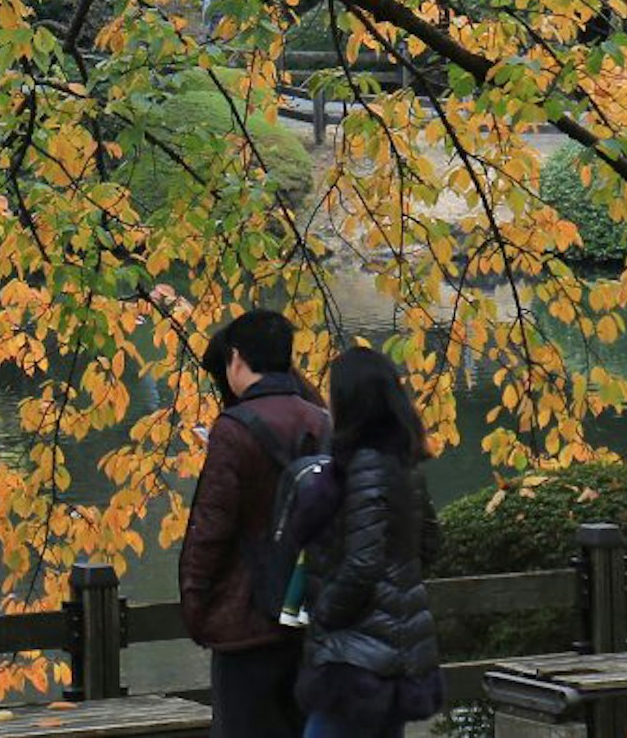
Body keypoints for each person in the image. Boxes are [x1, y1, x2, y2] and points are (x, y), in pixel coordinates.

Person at [276, 346, 444, 738]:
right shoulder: (402, 465)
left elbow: (363, 563)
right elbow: (430, 543)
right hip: (392, 650)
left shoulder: (364, 468)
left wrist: (326, 611)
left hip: (357, 655)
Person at [178, 308, 330, 738]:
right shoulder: (322, 420)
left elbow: (210, 530)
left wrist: (197, 610)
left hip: (245, 623)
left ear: (237, 358)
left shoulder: (234, 430)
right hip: (307, 615)